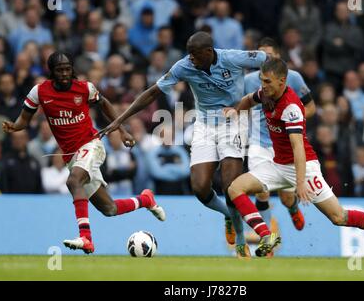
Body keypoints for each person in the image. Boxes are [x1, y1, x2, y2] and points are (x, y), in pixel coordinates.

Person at [98, 31, 268, 257]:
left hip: (232, 121)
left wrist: (275, 88)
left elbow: (269, 60)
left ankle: (239, 240)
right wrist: (119, 120)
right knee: (199, 188)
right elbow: (152, 93)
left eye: (195, 55)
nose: (192, 60)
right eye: (189, 55)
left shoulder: (233, 58)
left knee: (230, 185)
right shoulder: (184, 66)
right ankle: (229, 214)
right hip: (204, 124)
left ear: (209, 52)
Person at [224, 57, 364, 257]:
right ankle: (266, 235)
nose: (263, 85)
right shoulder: (265, 93)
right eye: (262, 80)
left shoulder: (291, 108)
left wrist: (300, 183)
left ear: (282, 81)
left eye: (268, 81)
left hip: (304, 167)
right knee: (235, 188)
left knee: (339, 216)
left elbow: (298, 148)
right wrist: (235, 111)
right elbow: (248, 99)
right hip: (278, 165)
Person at [2, 52, 165, 254]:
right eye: (59, 70)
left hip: (91, 145)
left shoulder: (85, 88)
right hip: (72, 156)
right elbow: (24, 120)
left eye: (67, 69)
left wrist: (121, 130)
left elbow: (104, 104)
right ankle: (146, 200)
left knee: (73, 181)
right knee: (109, 209)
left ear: (72, 70)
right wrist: (14, 127)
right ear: (51, 72)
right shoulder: (39, 92)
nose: (64, 74)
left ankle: (86, 238)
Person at [244, 38, 314, 248]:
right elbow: (244, 106)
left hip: (282, 143)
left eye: (270, 56)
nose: (266, 60)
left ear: (278, 58)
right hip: (258, 142)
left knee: (285, 197)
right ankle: (267, 239)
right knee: (261, 190)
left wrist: (292, 122)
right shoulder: (248, 80)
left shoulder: (293, 78)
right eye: (261, 56)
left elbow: (310, 107)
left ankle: (292, 208)